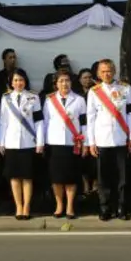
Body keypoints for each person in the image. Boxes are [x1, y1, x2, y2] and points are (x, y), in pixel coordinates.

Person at [87, 59, 131, 221]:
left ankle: (122, 207)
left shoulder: (125, 88)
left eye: (109, 70)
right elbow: (90, 118)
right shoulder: (94, 92)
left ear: (114, 71)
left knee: (122, 178)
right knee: (103, 178)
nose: (106, 74)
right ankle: (105, 208)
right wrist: (91, 142)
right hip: (102, 140)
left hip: (121, 138)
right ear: (98, 74)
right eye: (103, 71)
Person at [43, 69, 88, 219]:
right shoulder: (49, 100)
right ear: (56, 84)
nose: (64, 84)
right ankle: (59, 205)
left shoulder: (79, 100)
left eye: (67, 80)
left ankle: (69, 206)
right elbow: (45, 122)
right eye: (61, 81)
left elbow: (84, 123)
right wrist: (42, 142)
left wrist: (85, 142)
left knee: (71, 176)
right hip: (54, 142)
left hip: (72, 143)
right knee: (56, 177)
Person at [0, 69, 44, 220]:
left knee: (27, 176)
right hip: (11, 142)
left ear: (25, 81)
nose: (19, 83)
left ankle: (27, 206)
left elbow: (39, 121)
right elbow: (3, 122)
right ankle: (18, 205)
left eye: (21, 80)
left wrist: (40, 141)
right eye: (16, 80)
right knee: (14, 177)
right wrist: (2, 142)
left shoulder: (33, 97)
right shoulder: (6, 98)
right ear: (11, 82)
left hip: (28, 141)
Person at [74, 68, 98, 196]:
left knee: (93, 159)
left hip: (94, 128)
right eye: (85, 77)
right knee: (82, 159)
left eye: (90, 77)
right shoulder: (76, 95)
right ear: (79, 79)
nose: (87, 80)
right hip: (80, 129)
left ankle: (95, 183)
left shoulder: (97, 91)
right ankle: (85, 184)